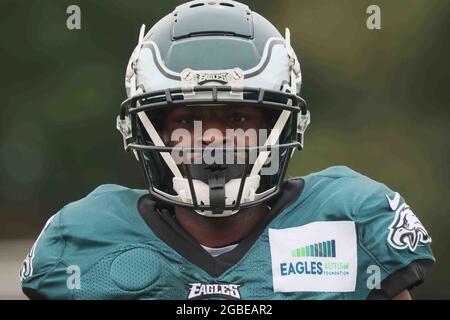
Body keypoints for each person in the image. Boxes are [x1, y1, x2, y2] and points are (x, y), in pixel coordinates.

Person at [20, 0, 434, 300]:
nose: (212, 138)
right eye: (187, 120)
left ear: (277, 126)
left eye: (237, 119)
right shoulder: (85, 238)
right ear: (151, 131)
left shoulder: (352, 222)